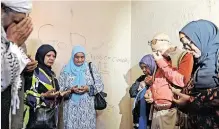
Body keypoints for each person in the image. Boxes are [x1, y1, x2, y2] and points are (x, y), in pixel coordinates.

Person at [172, 19, 219, 129]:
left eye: (189, 44)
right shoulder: (198, 65)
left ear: (203, 38)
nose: (187, 50)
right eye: (184, 45)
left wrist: (190, 100)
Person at [144, 33, 193, 129]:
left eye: (158, 51)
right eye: (154, 52)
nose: (155, 54)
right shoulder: (159, 59)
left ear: (166, 45)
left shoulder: (184, 56)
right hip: (156, 111)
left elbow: (181, 81)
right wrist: (149, 92)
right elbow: (157, 82)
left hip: (172, 113)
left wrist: (161, 62)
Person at [1, 0, 34, 129]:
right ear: (1, 10)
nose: (18, 29)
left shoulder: (17, 41)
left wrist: (27, 69)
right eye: (16, 21)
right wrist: (12, 45)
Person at [58, 45, 104, 129]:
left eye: (82, 57)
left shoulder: (91, 68)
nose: (80, 60)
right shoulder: (65, 70)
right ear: (73, 56)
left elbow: (100, 85)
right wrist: (71, 90)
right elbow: (60, 89)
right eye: (77, 57)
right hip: (70, 109)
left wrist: (88, 88)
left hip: (87, 109)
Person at [23, 44, 64, 129]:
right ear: (41, 55)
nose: (52, 58)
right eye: (48, 55)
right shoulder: (33, 73)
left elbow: (55, 95)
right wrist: (43, 96)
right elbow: (24, 96)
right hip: (33, 119)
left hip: (50, 120)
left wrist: (61, 95)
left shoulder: (52, 75)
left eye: (54, 56)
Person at [129, 54, 156, 129]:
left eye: (145, 67)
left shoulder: (158, 79)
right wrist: (142, 84)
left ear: (151, 65)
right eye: (142, 68)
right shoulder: (141, 78)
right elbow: (132, 92)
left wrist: (150, 84)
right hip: (139, 116)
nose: (143, 70)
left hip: (151, 117)